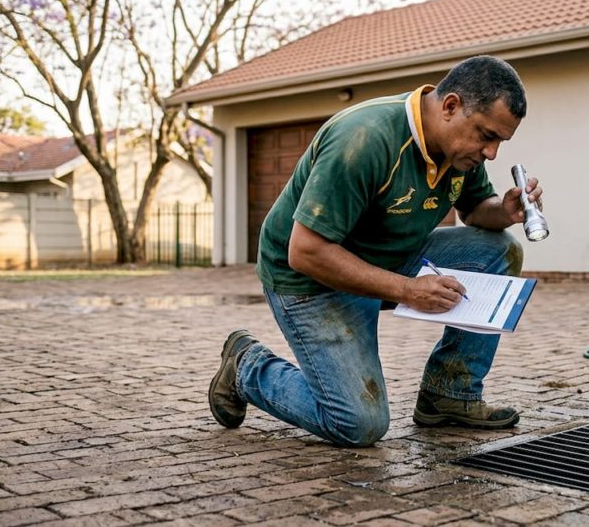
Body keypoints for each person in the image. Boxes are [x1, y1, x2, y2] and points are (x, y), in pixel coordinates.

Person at [208, 55, 543, 447]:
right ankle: (246, 366)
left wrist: (503, 212)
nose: (491, 153)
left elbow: (473, 210)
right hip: (310, 278)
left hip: (386, 258)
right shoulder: (364, 138)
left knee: (499, 249)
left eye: (500, 141)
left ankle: (450, 394)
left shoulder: (459, 151)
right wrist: (404, 289)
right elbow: (306, 251)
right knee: (358, 423)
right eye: (488, 135)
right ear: (451, 106)